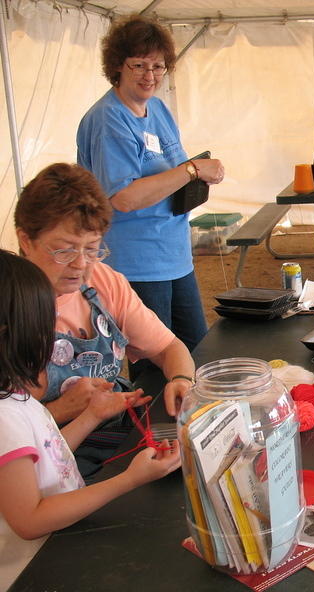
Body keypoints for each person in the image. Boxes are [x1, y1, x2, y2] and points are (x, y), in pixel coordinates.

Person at [0, 249, 181, 592]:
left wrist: (92, 415)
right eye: (44, 331)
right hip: (32, 573)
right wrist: (129, 480)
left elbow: (45, 457)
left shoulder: (18, 397)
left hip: (57, 544)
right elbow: (30, 519)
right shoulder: (4, 418)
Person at [15, 163, 196, 477]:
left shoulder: (103, 281)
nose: (81, 265)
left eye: (92, 248)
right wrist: (59, 410)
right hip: (46, 459)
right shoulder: (10, 307)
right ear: (25, 240)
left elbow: (169, 348)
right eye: (64, 251)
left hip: (118, 429)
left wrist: (182, 380)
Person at [76, 15, 225, 367]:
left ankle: (194, 421)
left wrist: (194, 174)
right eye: (138, 65)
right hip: (137, 262)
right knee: (157, 365)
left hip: (173, 255)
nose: (149, 76)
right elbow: (123, 198)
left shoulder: (156, 108)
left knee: (195, 355)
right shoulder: (108, 119)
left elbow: (167, 171)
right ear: (117, 67)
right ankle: (160, 424)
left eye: (157, 66)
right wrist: (191, 170)